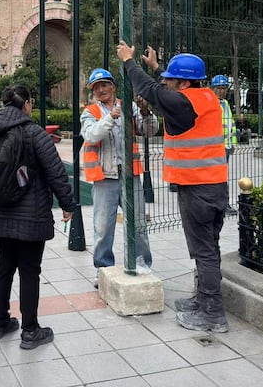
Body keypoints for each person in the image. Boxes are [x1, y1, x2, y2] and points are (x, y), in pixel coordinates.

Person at [116, 41, 229, 333]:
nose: (164, 82)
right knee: (209, 248)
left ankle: (213, 313)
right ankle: (203, 300)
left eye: (170, 79)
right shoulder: (205, 97)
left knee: (203, 252)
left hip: (197, 189)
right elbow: (165, 91)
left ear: (183, 82)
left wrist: (130, 62)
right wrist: (156, 66)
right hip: (214, 187)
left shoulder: (183, 102)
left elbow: (151, 91)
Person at [0, 84, 75, 349]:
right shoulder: (35, 133)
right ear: (28, 104)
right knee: (30, 271)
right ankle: (30, 330)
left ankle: (0, 322)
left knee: (4, 265)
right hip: (30, 214)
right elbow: (56, 173)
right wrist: (67, 204)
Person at [80, 68, 158, 287]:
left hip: (129, 174)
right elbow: (91, 134)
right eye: (96, 87)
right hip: (105, 176)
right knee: (103, 227)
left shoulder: (130, 107)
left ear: (113, 86)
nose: (101, 90)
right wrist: (110, 117)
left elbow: (150, 130)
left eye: (104, 85)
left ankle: (143, 264)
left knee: (139, 223)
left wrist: (145, 113)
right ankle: (102, 269)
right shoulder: (89, 112)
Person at [211, 75, 237, 215]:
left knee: (221, 177)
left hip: (225, 147)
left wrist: (232, 144)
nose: (222, 91)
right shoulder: (211, 103)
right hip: (216, 147)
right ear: (213, 89)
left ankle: (221, 203)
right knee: (218, 178)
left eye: (224, 88)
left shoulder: (225, 103)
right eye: (219, 88)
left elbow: (230, 124)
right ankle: (221, 204)